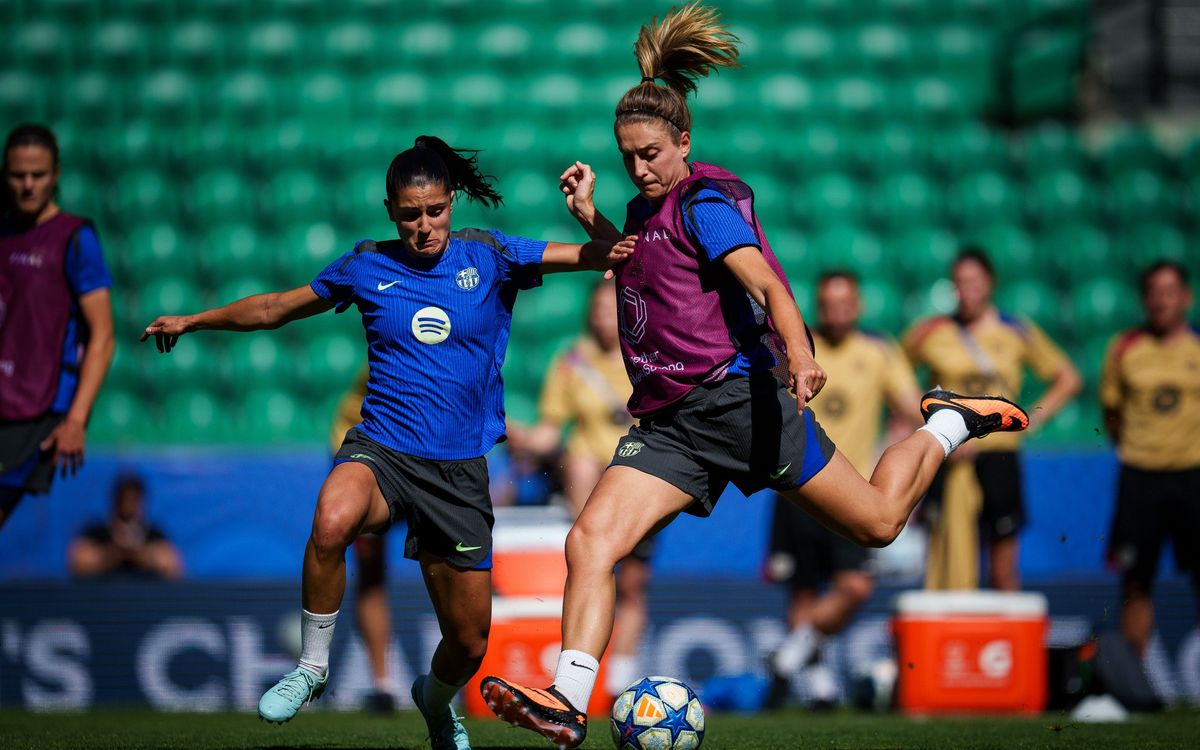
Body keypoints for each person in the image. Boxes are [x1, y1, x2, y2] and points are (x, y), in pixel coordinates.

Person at [478, 6, 1029, 747]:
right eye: (626, 156)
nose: (638, 168)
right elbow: (643, 266)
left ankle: (946, 422)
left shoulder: (705, 202)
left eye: (650, 154)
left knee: (878, 522)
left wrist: (800, 354)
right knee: (590, 542)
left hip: (743, 402)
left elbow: (766, 284)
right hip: (673, 425)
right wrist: (591, 217)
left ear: (684, 140)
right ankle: (569, 700)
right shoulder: (646, 208)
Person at [141, 135, 629, 750]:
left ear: (451, 201)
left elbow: (606, 257)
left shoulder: (493, 254)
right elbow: (273, 309)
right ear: (389, 210)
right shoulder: (367, 265)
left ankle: (432, 696)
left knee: (470, 641)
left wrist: (588, 212)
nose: (423, 227)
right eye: (409, 215)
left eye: (434, 212)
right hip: (384, 450)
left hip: (458, 472)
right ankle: (312, 668)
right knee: (331, 516)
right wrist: (193, 320)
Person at [764, 270, 922, 709]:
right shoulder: (797, 345)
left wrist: (904, 437)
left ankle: (790, 654)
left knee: (855, 586)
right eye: (828, 302)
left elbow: (910, 407)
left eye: (844, 302)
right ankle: (818, 687)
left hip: (849, 487)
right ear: (818, 304)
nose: (836, 310)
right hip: (795, 484)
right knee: (802, 588)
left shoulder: (878, 350)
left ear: (857, 306)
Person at [904, 248, 1081, 591]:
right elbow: (897, 377)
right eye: (960, 283)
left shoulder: (1016, 330)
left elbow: (1068, 378)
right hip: (949, 454)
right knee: (945, 554)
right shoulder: (930, 331)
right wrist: (928, 419)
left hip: (999, 453)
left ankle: (1006, 639)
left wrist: (1032, 419)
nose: (967, 290)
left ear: (990, 284)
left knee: (1002, 565)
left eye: (975, 282)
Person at [507, 277, 649, 696]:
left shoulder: (645, 356)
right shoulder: (572, 362)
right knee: (593, 568)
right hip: (588, 487)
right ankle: (581, 677)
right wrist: (514, 433)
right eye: (600, 310)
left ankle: (619, 679)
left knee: (633, 584)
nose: (606, 318)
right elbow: (550, 434)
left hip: (640, 479)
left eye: (614, 309)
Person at [0, 124, 114, 530]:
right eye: (18, 175)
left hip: (37, 408)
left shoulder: (74, 239)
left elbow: (102, 335)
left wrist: (77, 419)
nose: (28, 185)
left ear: (57, 174)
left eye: (38, 174)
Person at [1101, 261, 1200, 658]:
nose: (1162, 300)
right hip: (1140, 478)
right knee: (1135, 582)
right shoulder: (1125, 348)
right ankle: (1133, 688)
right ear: (1145, 299)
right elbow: (1111, 412)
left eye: (1170, 291)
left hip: (1193, 476)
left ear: (1185, 297)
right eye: (1155, 292)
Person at [330, 366, 398, 712]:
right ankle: (382, 682)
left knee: (447, 559)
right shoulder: (400, 337)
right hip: (368, 452)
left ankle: (451, 674)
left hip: (426, 449)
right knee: (371, 573)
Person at [67, 472, 183, 580]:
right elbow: (78, 564)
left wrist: (140, 555)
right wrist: (115, 554)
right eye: (124, 499)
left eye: (134, 500)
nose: (129, 506)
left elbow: (173, 567)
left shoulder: (154, 534)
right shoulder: (98, 532)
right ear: (115, 501)